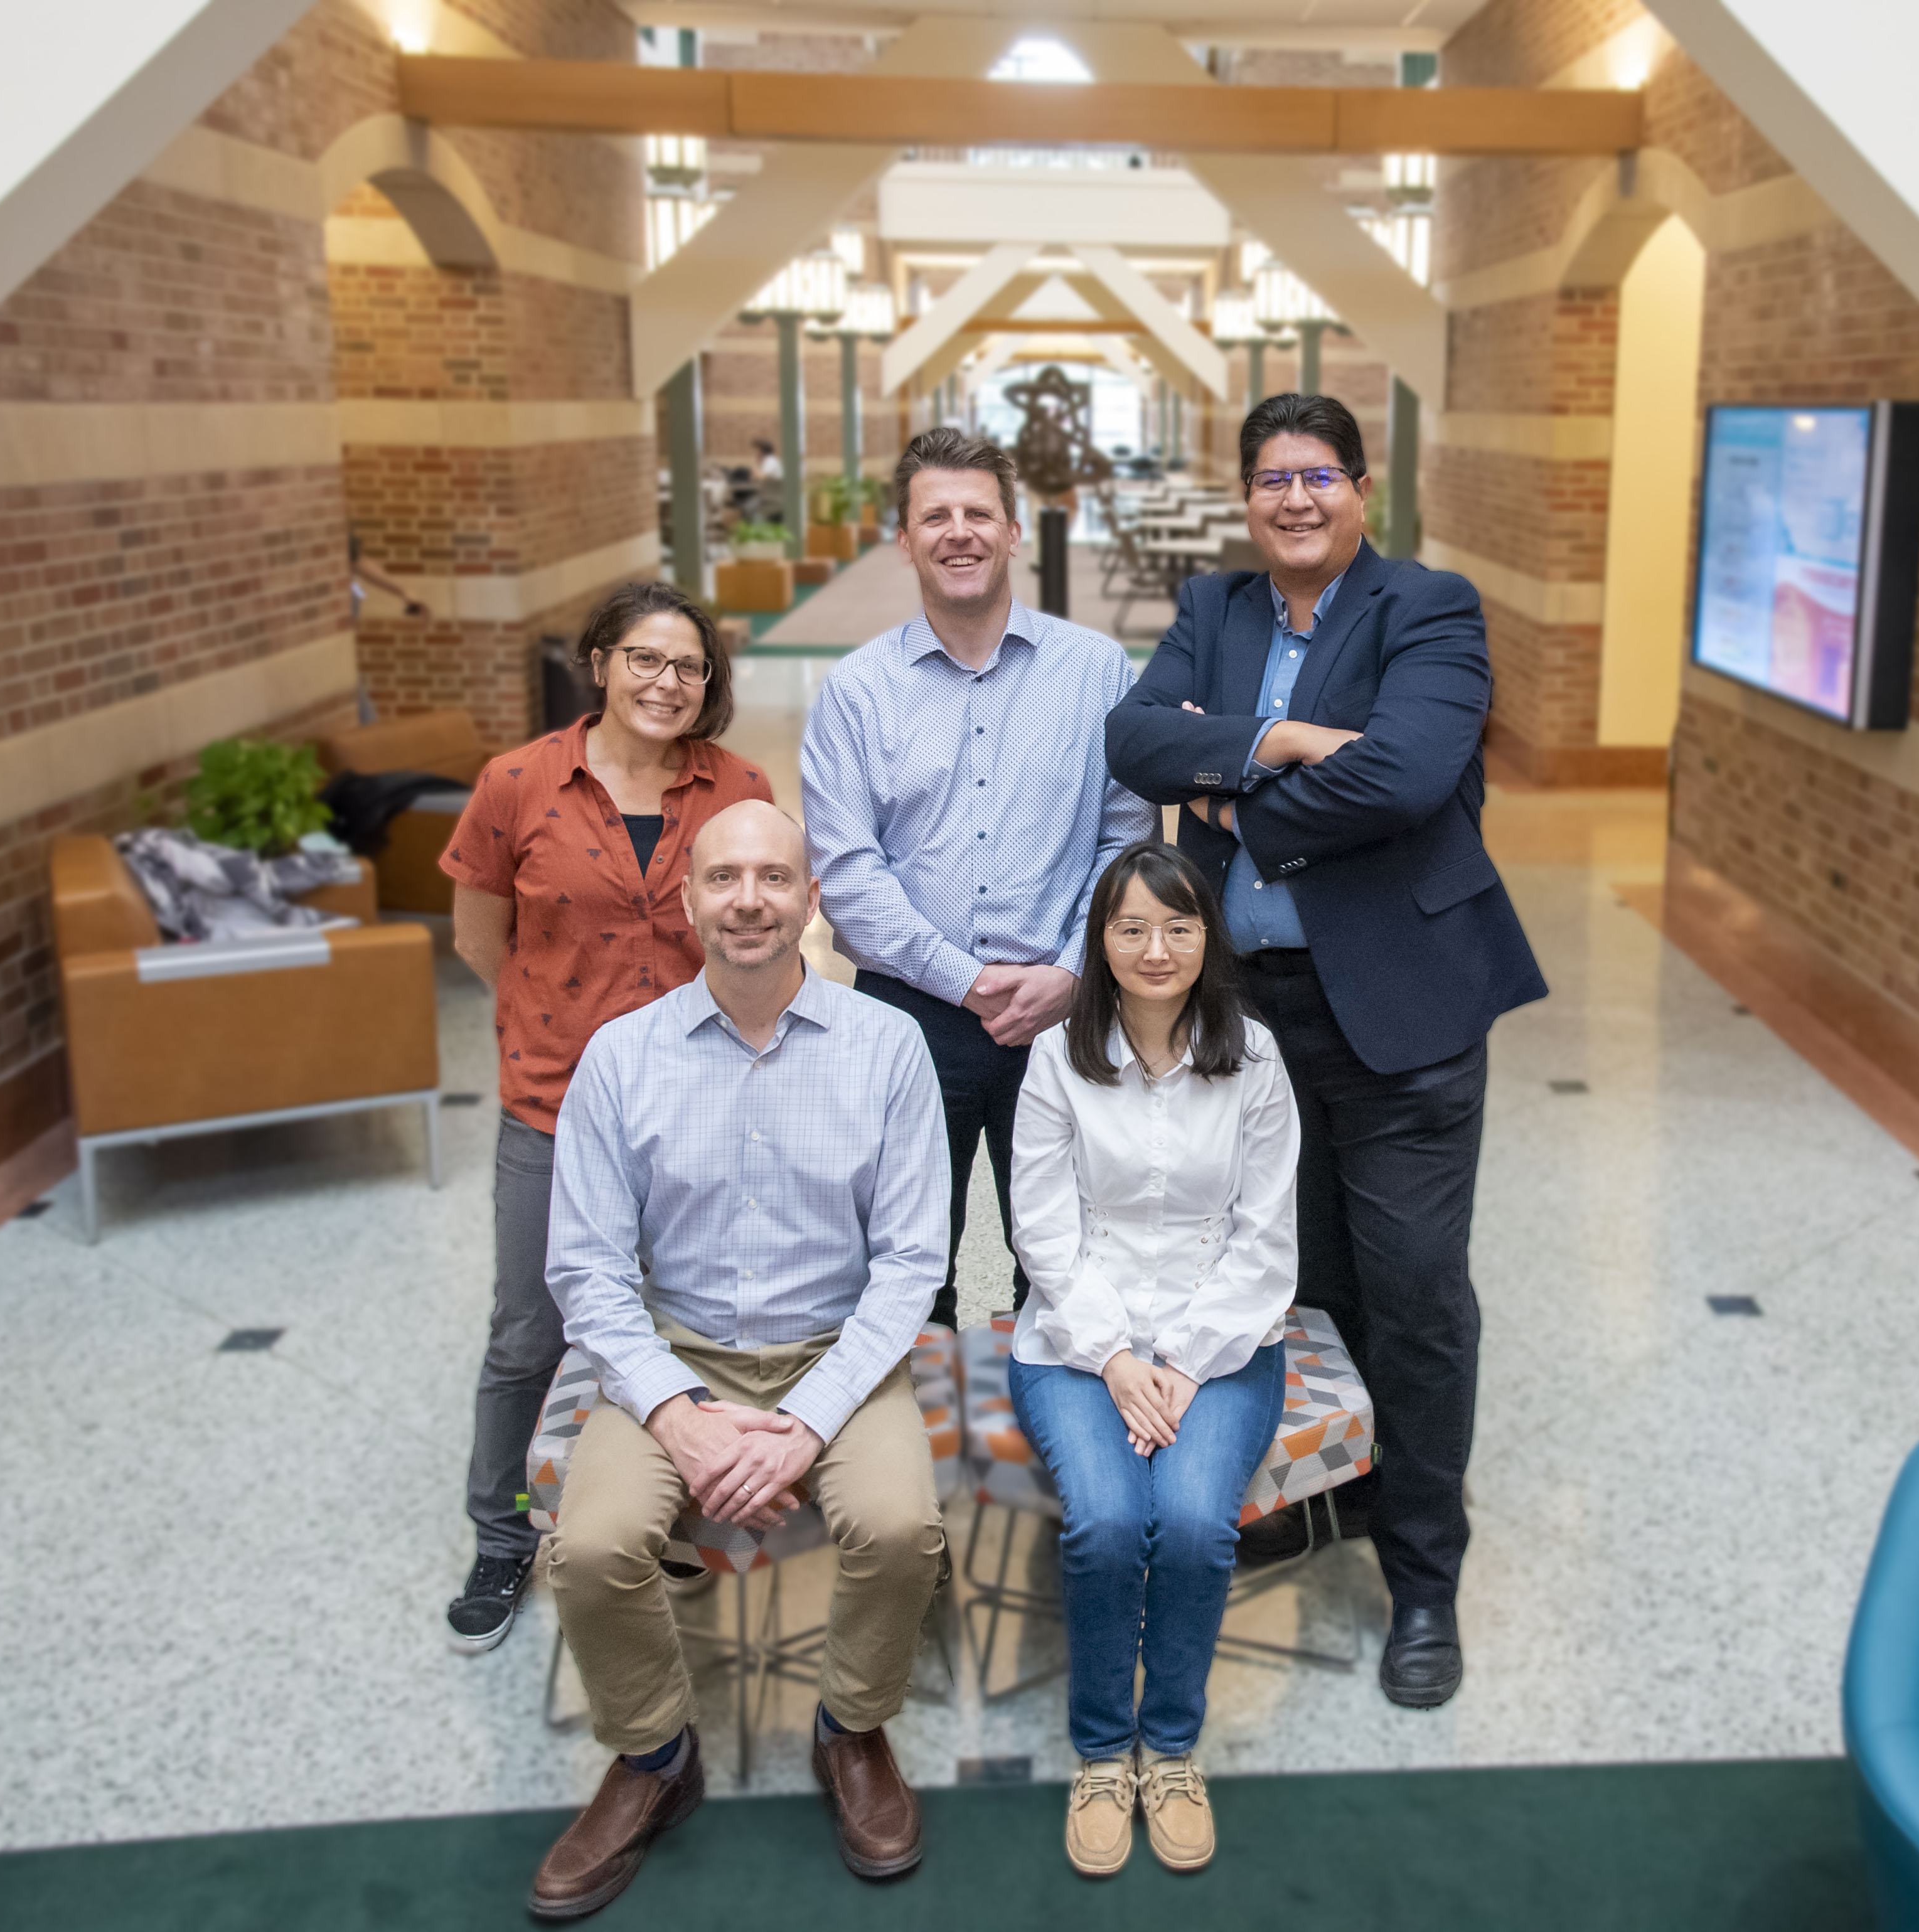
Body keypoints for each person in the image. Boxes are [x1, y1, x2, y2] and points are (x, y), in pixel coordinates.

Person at [1103, 393, 1547, 1711]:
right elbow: (1133, 739)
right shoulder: (1216, 610)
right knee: (1293, 1283)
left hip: (1400, 1019)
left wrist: (1236, 795)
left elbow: (1407, 775)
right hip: (1244, 1018)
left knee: (1411, 1299)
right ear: (1246, 498)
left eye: (1317, 477)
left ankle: (1423, 1583)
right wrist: (1285, 741)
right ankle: (1341, 1494)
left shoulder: (1429, 608)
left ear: (1360, 489)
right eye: (1269, 481)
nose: (1292, 500)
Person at [531, 799, 949, 1920]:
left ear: (812, 899)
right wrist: (679, 1416)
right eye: (725, 879)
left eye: (774, 877)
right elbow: (586, 1270)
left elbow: (913, 1262)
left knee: (904, 1529)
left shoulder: (887, 1046)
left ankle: (851, 1730)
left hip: (837, 1352)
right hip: (676, 1353)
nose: (750, 900)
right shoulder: (622, 1059)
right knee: (590, 1546)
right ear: (688, 901)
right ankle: (655, 1757)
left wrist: (806, 1423)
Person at [434, 582, 772, 1654]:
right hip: (554, 1101)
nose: (668, 684)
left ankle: (672, 1512)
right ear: (598, 661)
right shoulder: (518, 784)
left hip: (703, 1104)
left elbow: (759, 925)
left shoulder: (738, 786)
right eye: (646, 660)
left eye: (690, 668)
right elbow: (481, 938)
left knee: (690, 1314)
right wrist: (563, 1021)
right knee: (530, 1328)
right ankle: (499, 1536)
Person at [801, 426, 1153, 1330]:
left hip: (1069, 1010)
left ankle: (1053, 1456)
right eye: (936, 516)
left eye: (977, 514)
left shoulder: (1097, 672)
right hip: (909, 1015)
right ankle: (909, 1467)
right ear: (905, 538)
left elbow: (1126, 839)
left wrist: (1075, 971)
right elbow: (848, 872)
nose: (959, 533)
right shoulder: (856, 692)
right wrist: (966, 982)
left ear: (1013, 529)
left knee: (1072, 1264)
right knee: (904, 1272)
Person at [1006, 841, 1295, 1879]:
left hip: (1219, 1348)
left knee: (1189, 1523)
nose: (1155, 948)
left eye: (1177, 927)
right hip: (1077, 1346)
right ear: (1102, 942)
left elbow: (1266, 1239)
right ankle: (1099, 1755)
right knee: (1110, 1520)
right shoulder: (1055, 1059)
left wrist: (1180, 1358)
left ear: (1207, 937)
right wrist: (1120, 1359)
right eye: (1131, 929)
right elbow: (1041, 1234)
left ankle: (1168, 1750)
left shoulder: (1256, 1059)